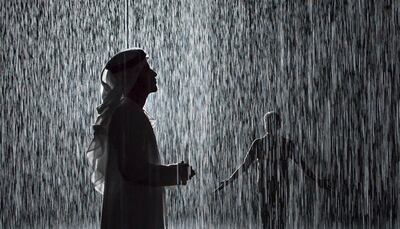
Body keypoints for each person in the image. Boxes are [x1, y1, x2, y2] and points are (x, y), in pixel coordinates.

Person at [86, 48, 196, 229]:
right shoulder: (127, 114)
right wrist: (174, 173)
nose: (154, 73)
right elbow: (132, 170)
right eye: (147, 70)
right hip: (133, 216)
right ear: (134, 77)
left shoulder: (131, 112)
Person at [215, 111, 330, 229]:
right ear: (265, 125)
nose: (269, 125)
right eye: (267, 122)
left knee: (279, 219)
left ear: (279, 125)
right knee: (266, 219)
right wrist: (229, 180)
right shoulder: (259, 144)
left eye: (272, 122)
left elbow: (302, 165)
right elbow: (245, 165)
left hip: (279, 186)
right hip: (266, 186)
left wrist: (317, 180)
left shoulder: (286, 144)